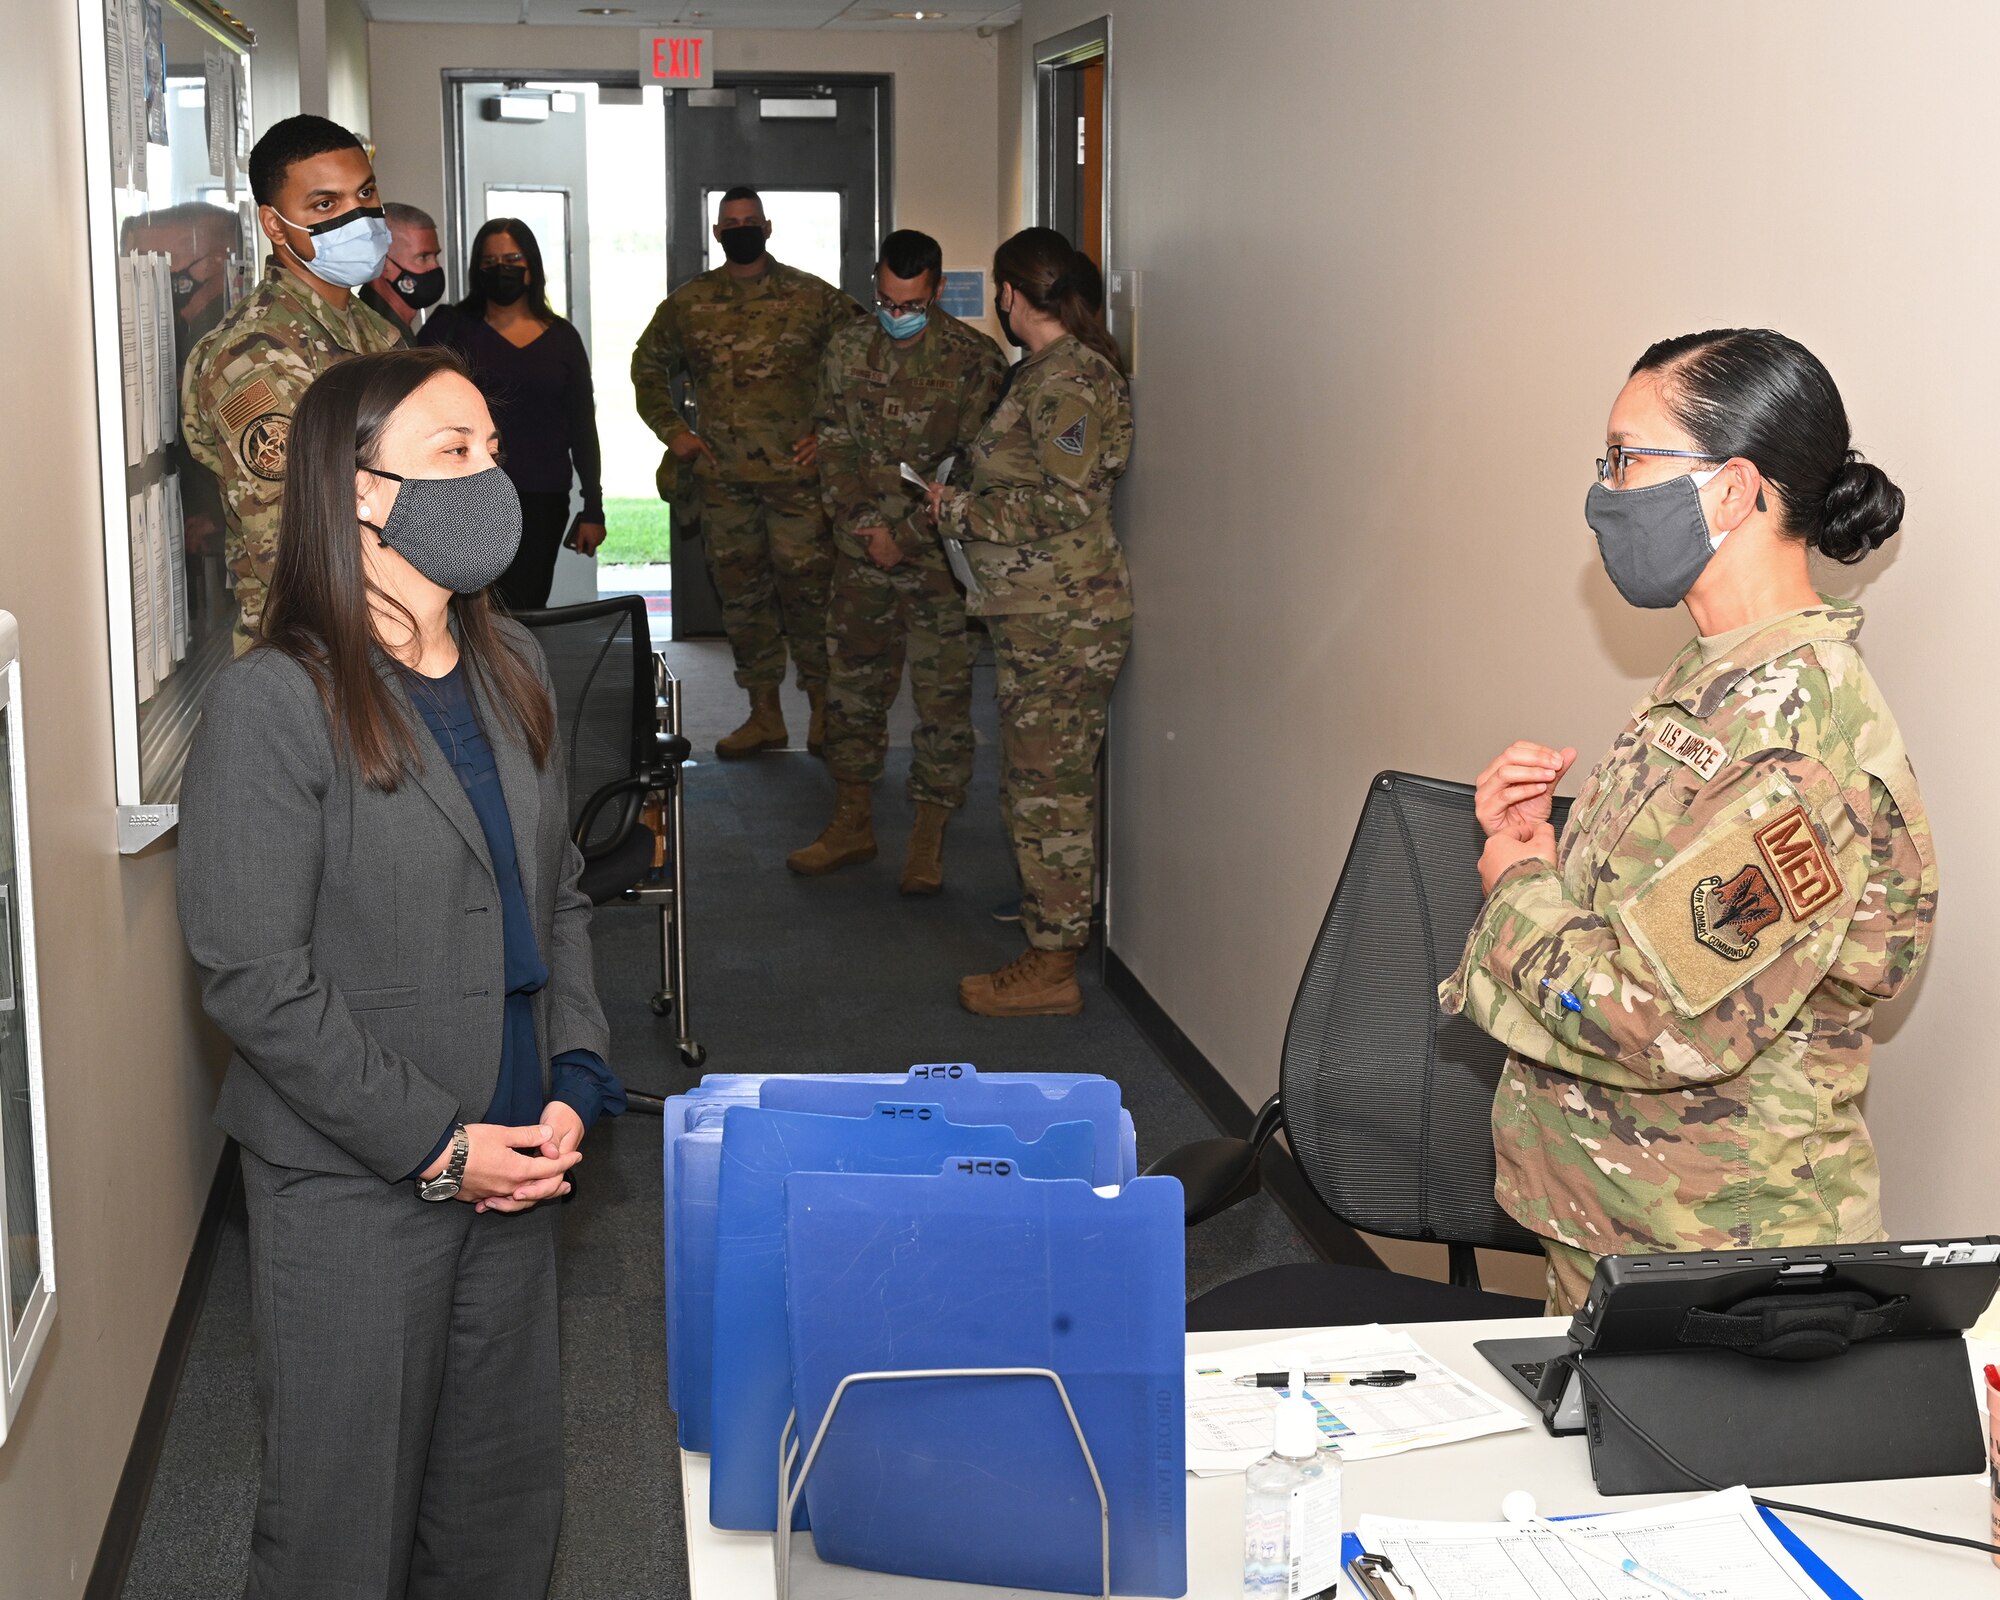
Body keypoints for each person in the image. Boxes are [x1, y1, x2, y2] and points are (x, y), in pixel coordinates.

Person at [177, 345, 626, 1596]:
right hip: (359, 1179)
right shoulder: (275, 702)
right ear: (361, 489)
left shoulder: (513, 665)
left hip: (519, 1151)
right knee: (339, 1523)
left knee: (497, 1508)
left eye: (491, 447)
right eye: (456, 452)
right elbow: (253, 978)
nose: (493, 474)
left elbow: (561, 897)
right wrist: (437, 1146)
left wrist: (574, 1078)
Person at [1439, 329, 1938, 1315]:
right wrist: (1545, 843)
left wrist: (1514, 887)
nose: (1604, 492)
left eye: (1626, 460)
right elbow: (1662, 915)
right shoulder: (1718, 675)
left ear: (1732, 489)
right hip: (1628, 1235)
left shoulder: (1795, 731)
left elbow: (1654, 1019)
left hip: (1717, 1273)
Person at [925, 228, 1133, 1017]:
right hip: (1040, 615)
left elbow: (1068, 502)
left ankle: (1052, 967)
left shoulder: (1068, 379)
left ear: (1013, 295)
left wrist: (961, 508)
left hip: (1064, 620)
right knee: (1037, 785)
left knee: (1049, 792)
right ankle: (1050, 942)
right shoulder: (1047, 372)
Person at [789, 229, 1006, 893]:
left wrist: (905, 536)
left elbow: (976, 468)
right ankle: (852, 822)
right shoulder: (849, 347)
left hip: (938, 560)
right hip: (861, 557)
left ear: (937, 291)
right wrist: (864, 528)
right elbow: (833, 446)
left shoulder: (976, 361)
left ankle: (928, 836)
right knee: (853, 691)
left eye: (910, 303)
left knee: (941, 701)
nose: (895, 312)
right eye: (885, 298)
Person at [632, 185, 868, 758]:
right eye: (730, 222)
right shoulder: (690, 304)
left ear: (767, 227)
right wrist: (676, 434)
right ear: (717, 234)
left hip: (798, 484)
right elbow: (646, 365)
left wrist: (832, 430)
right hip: (723, 482)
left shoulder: (812, 298)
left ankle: (821, 715)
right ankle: (764, 715)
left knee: (810, 599)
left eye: (749, 221)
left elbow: (868, 357)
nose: (740, 229)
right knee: (742, 602)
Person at [182, 113, 405, 654]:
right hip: (320, 658)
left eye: (365, 193)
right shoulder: (256, 356)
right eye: (326, 205)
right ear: (276, 225)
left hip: (393, 627)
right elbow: (291, 546)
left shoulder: (370, 328)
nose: (358, 217)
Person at [419, 218, 606, 610]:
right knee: (464, 613)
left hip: (543, 501)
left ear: (531, 266)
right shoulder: (451, 327)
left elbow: (582, 428)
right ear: (476, 269)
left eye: (512, 258)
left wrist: (593, 507)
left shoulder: (562, 338)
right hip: (463, 494)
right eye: (489, 261)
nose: (500, 268)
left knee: (525, 611)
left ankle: (520, 675)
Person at [362, 200, 446, 336]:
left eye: (435, 255)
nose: (435, 266)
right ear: (383, 263)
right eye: (423, 257)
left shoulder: (395, 329)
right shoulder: (373, 334)